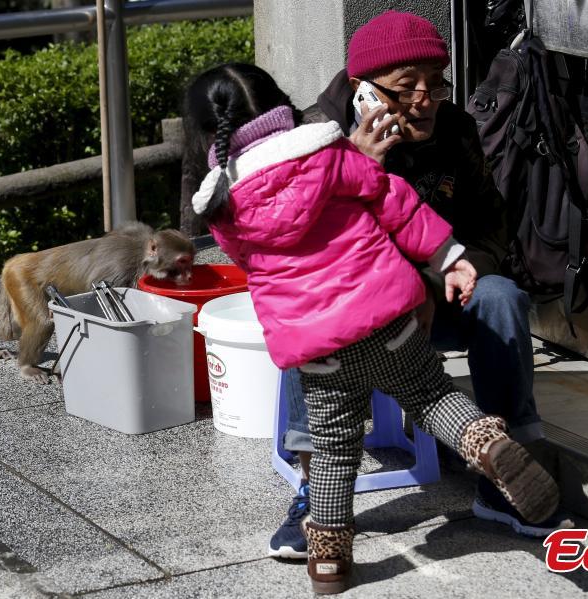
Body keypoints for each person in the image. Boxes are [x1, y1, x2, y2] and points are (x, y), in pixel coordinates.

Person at [184, 61, 559, 594]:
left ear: (208, 133)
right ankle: (490, 447)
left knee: (334, 451)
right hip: (387, 321)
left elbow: (248, 261)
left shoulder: (224, 204)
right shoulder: (330, 153)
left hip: (317, 347)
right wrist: (449, 257)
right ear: (281, 106)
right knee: (431, 397)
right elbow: (394, 201)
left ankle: (329, 563)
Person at [268, 10, 572, 560]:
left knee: (501, 297)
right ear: (363, 90)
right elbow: (296, 248)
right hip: (346, 309)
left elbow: (490, 226)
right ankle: (315, 497)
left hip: (434, 298)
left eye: (436, 83)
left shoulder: (455, 129)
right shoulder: (315, 139)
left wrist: (432, 283)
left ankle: (508, 476)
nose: (425, 100)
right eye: (407, 87)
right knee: (307, 319)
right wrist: (354, 168)